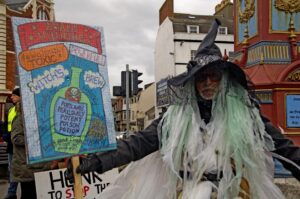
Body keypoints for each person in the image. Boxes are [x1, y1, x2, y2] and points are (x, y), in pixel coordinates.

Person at [66, 19, 300, 198]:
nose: (207, 83)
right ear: (193, 83)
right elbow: (139, 143)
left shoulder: (246, 114)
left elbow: (284, 147)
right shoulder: (175, 117)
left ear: (224, 79)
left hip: (233, 192)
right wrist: (97, 161)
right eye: (201, 78)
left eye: (214, 77)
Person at [10, 90, 53, 199]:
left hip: (41, 167)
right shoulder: (20, 118)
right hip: (27, 168)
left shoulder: (42, 118)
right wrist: (37, 140)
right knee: (29, 195)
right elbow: (16, 138)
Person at [3, 88, 20, 199]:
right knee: (12, 170)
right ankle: (12, 192)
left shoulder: (25, 110)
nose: (11, 97)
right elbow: (6, 125)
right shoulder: (11, 110)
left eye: (14, 95)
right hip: (11, 145)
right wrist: (5, 134)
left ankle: (11, 192)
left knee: (21, 171)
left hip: (20, 145)